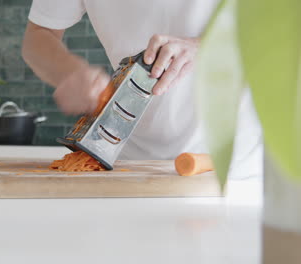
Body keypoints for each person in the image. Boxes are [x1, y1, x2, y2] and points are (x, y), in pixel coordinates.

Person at [22, 0, 262, 178]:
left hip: (236, 168)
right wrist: (69, 72)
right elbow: (38, 36)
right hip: (130, 167)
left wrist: (206, 47)